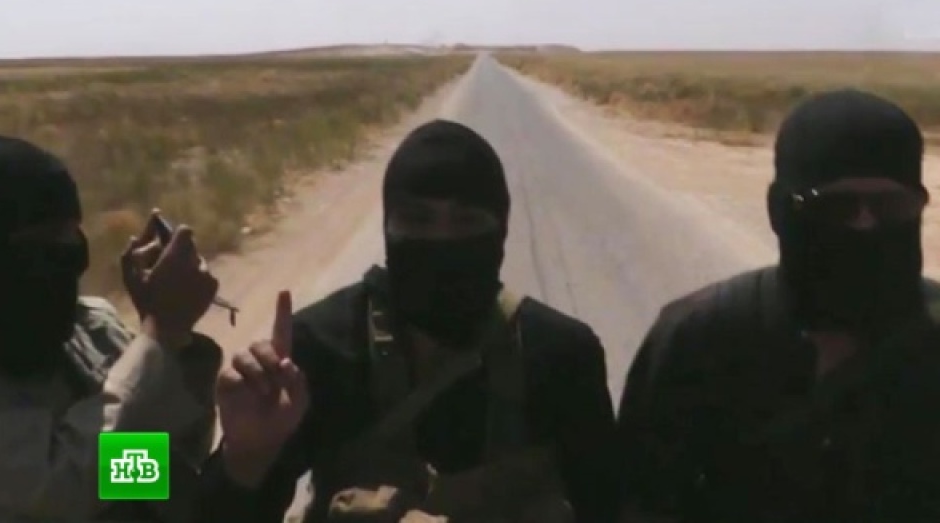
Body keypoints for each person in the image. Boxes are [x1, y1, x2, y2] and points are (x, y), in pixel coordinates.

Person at [194, 119, 619, 522]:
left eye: (467, 221)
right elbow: (172, 492)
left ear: (501, 231)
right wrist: (244, 459)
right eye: (418, 220)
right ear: (388, 228)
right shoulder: (320, 349)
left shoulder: (561, 357)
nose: (442, 240)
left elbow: (607, 505)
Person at [617, 89, 940, 523]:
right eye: (835, 207)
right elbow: (640, 499)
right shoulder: (699, 339)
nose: (865, 225)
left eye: (891, 206)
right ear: (779, 210)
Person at [0, 133, 223, 522]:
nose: (73, 257)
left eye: (72, 232)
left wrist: (178, 350)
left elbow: (160, 465)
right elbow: (66, 484)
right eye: (46, 240)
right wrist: (162, 334)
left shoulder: (91, 329)